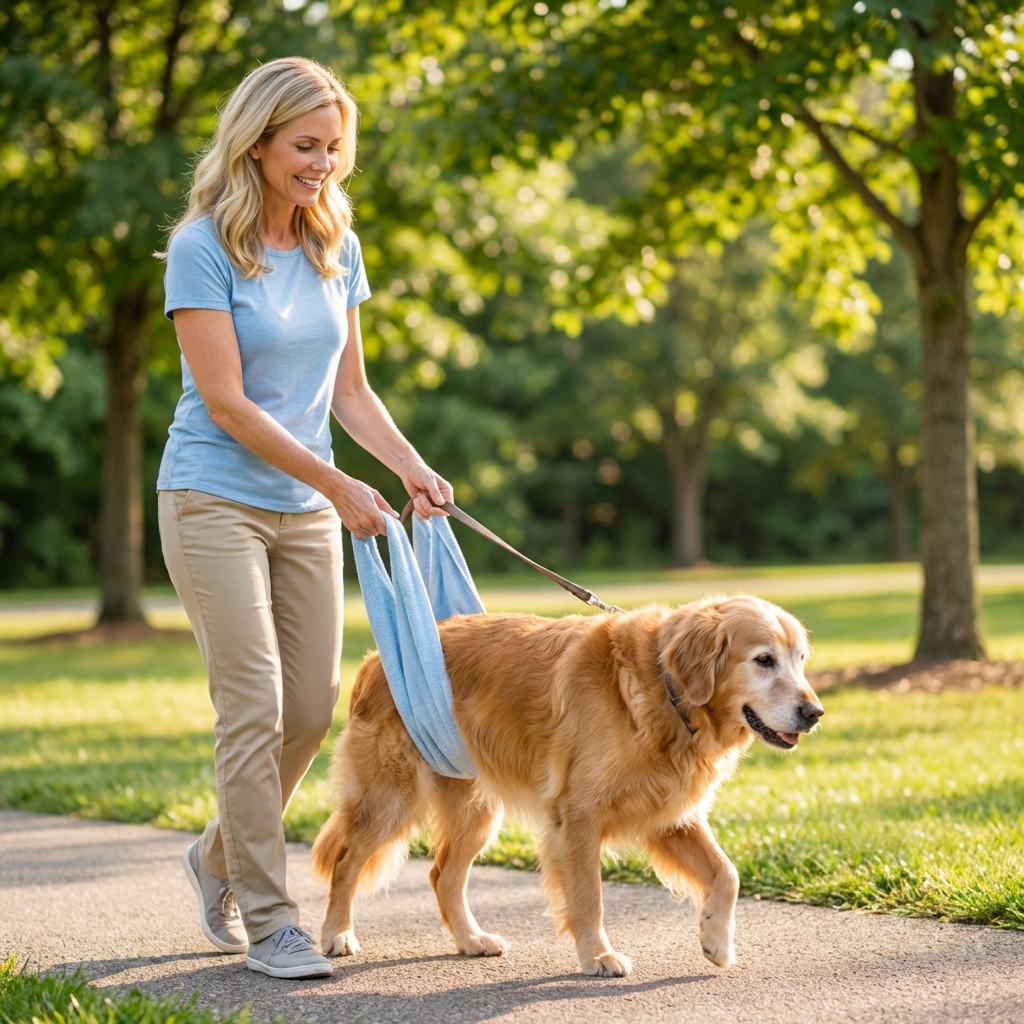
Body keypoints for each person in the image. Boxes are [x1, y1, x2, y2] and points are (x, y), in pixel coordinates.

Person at [155, 56, 451, 980]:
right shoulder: (204, 245)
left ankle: (216, 857)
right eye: (304, 145)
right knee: (251, 708)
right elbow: (232, 404)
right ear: (257, 140)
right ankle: (272, 916)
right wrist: (337, 486)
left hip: (306, 506)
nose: (323, 163)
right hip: (212, 498)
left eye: (334, 146)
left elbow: (351, 392)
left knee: (311, 714)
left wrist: (407, 468)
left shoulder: (337, 243)